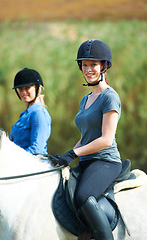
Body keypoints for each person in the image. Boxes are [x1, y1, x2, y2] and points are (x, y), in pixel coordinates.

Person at [56, 40, 122, 240]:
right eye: (84, 64)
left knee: (83, 196)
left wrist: (74, 154)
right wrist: (66, 156)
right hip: (86, 161)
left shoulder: (110, 97)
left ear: (104, 66)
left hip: (106, 161)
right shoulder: (85, 99)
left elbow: (105, 140)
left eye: (93, 64)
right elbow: (85, 138)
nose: (88, 69)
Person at [10, 68, 51, 155]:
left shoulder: (39, 113)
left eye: (27, 88)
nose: (23, 92)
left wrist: (13, 160)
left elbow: (37, 149)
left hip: (35, 164)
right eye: (20, 89)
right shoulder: (24, 114)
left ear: (38, 89)